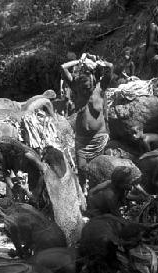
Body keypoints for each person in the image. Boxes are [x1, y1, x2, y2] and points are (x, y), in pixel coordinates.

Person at [61, 55, 113, 186]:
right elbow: (63, 67)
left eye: (89, 87)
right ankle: (83, 194)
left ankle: (96, 191)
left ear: (94, 82)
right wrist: (79, 61)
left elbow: (111, 67)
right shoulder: (76, 89)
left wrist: (98, 62)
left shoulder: (101, 88)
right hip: (82, 140)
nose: (86, 90)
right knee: (82, 169)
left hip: (99, 138)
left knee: (98, 170)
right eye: (83, 87)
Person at [143, 7, 158, 75]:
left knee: (156, 73)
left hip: (156, 52)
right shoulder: (153, 26)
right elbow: (151, 42)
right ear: (156, 17)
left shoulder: (157, 27)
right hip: (152, 53)